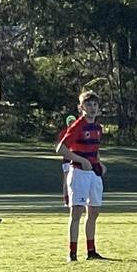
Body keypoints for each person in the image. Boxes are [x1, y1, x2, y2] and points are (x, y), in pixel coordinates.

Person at [56, 91, 106, 262]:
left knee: (94, 212)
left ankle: (91, 251)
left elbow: (95, 149)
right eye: (89, 105)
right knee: (76, 212)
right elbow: (61, 149)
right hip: (78, 173)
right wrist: (81, 160)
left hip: (94, 174)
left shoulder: (98, 128)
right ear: (81, 107)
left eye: (95, 105)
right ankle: (72, 253)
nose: (92, 108)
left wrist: (99, 162)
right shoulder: (78, 126)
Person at [57, 114, 77, 206]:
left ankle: (77, 199)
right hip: (67, 160)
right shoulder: (64, 133)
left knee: (76, 181)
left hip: (77, 160)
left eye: (73, 121)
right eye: (70, 122)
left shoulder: (78, 132)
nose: (72, 123)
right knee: (67, 181)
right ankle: (67, 200)